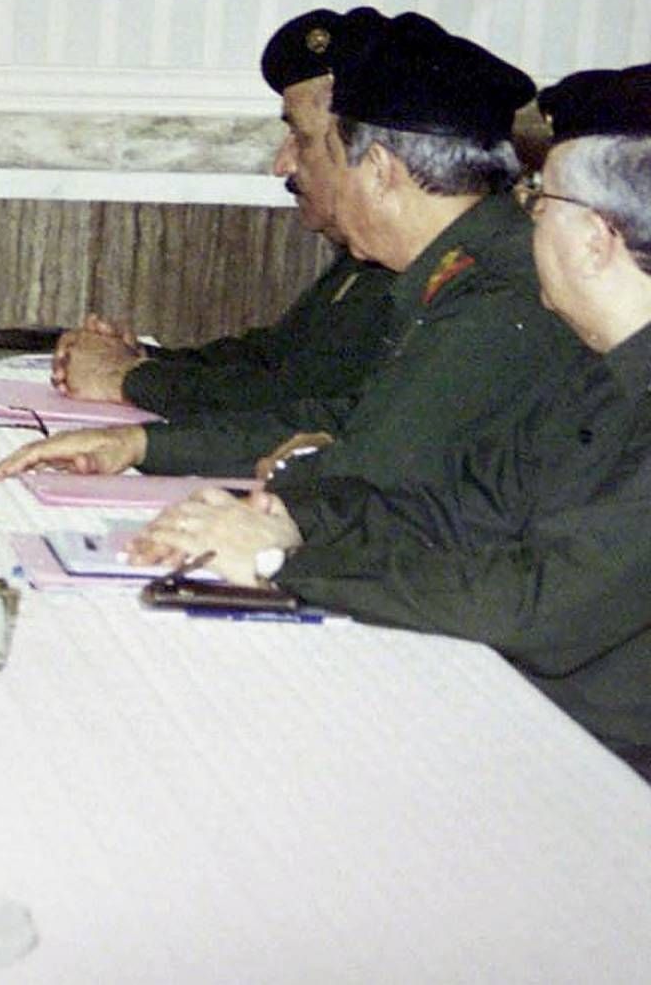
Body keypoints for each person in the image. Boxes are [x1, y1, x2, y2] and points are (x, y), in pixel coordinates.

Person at [128, 64, 651, 779]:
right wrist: (291, 519)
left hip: (603, 773)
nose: (525, 217)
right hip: (520, 715)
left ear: (595, 240)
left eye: (538, 200)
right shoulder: (599, 372)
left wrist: (286, 563)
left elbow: (537, 605)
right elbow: (460, 506)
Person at [0, 10, 583, 493]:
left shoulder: (497, 287)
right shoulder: (458, 264)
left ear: (379, 171)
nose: (292, 165)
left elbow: (373, 456)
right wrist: (140, 444)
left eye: (326, 152)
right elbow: (352, 416)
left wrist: (270, 546)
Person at [53, 7, 396, 414]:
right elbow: (269, 358)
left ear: (374, 157)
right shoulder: (362, 257)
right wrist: (140, 360)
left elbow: (295, 401)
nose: (281, 164)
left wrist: (125, 377)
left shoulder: (405, 264)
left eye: (301, 138)